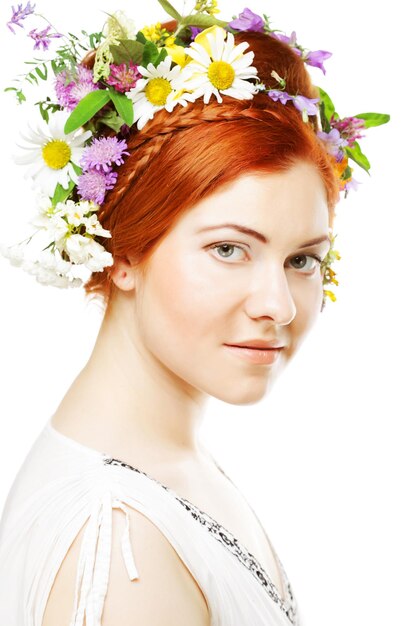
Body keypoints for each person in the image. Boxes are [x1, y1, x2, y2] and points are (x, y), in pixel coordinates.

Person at [0, 3, 389, 625]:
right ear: (122, 248)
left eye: (303, 259)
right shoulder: (121, 548)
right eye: (229, 249)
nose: (278, 306)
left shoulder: (162, 462)